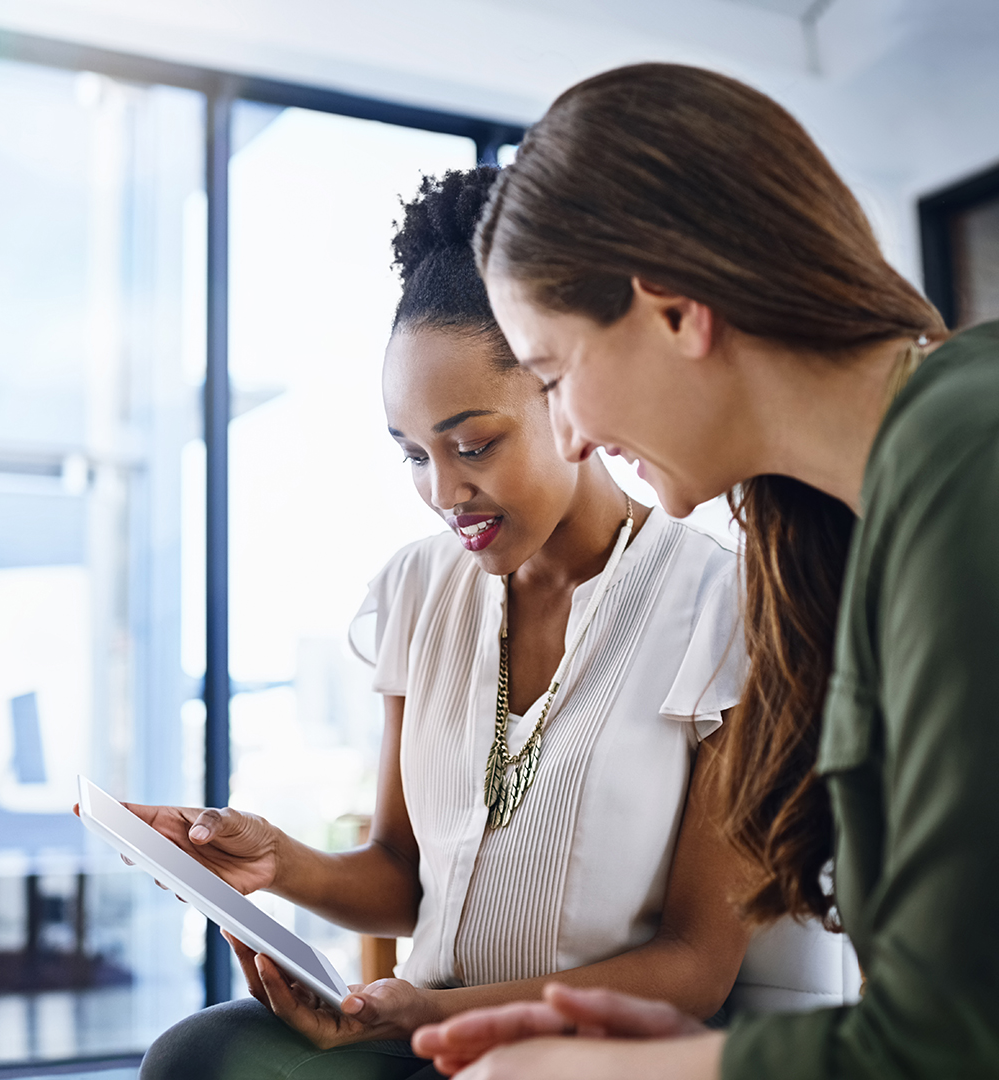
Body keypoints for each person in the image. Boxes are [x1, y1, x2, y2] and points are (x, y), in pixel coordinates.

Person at [409, 63, 999, 1079]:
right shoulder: (858, 529)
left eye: (555, 376)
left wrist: (646, 1071)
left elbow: (948, 1043)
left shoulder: (967, 456)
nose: (577, 437)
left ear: (677, 313)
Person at [136, 167, 789, 1080]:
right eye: (412, 455)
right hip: (418, 1035)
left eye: (473, 445)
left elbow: (695, 968)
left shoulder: (723, 610)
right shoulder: (417, 589)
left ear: (568, 395)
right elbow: (402, 872)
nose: (443, 493)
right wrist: (276, 862)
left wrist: (438, 1010)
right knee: (200, 1056)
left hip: (584, 1060)